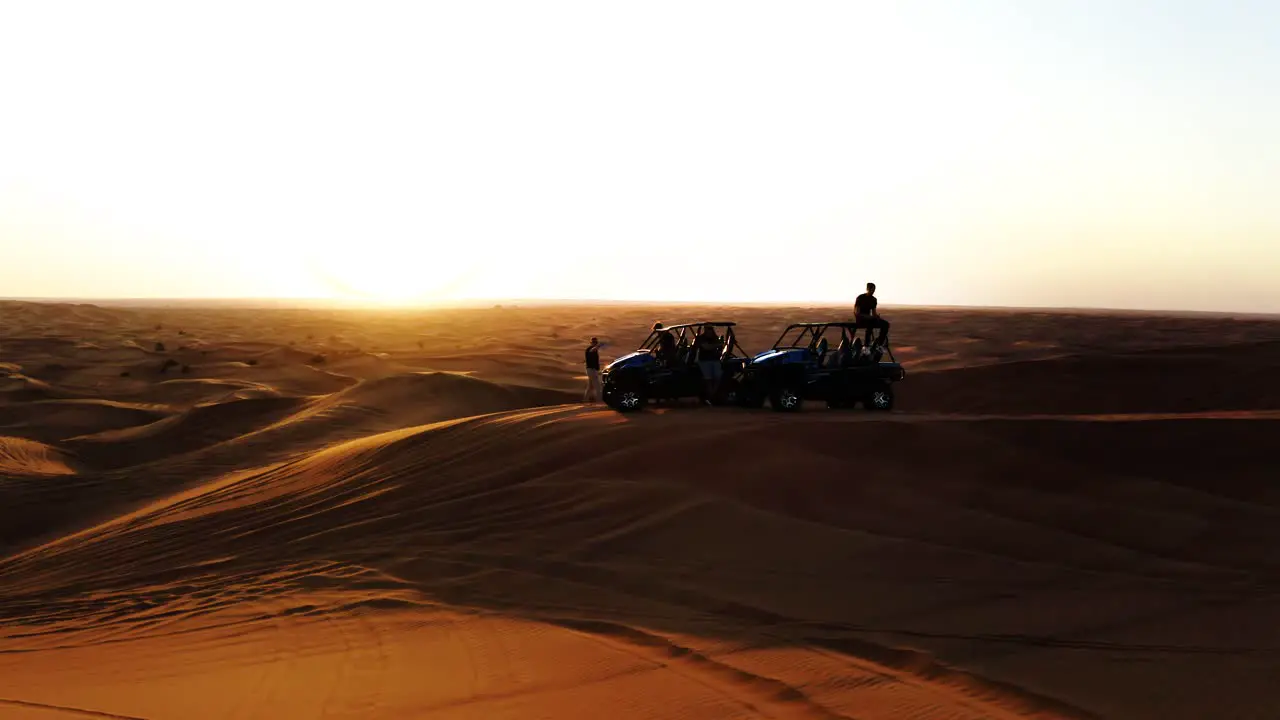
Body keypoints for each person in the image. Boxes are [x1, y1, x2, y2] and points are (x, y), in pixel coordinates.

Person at [854, 282, 890, 347]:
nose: (873, 291)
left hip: (870, 319)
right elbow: (857, 313)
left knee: (886, 324)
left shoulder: (873, 300)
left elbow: (874, 313)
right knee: (870, 324)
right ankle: (866, 345)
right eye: (871, 290)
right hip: (861, 320)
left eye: (874, 290)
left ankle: (879, 343)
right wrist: (868, 317)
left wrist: (876, 317)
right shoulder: (860, 298)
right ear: (867, 289)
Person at [694, 325, 723, 402]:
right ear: (705, 329)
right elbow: (706, 347)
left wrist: (718, 346)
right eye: (708, 328)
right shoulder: (701, 338)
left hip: (715, 360)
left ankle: (712, 394)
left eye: (711, 328)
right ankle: (711, 396)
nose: (710, 330)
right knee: (708, 380)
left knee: (718, 377)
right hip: (704, 361)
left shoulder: (714, 337)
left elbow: (720, 345)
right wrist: (717, 345)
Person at [583, 337, 603, 403]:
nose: (595, 343)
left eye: (596, 342)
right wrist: (598, 346)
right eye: (594, 342)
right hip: (591, 370)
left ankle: (585, 400)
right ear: (591, 343)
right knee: (597, 386)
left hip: (591, 370)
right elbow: (592, 350)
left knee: (590, 386)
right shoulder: (590, 349)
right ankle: (599, 401)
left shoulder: (594, 350)